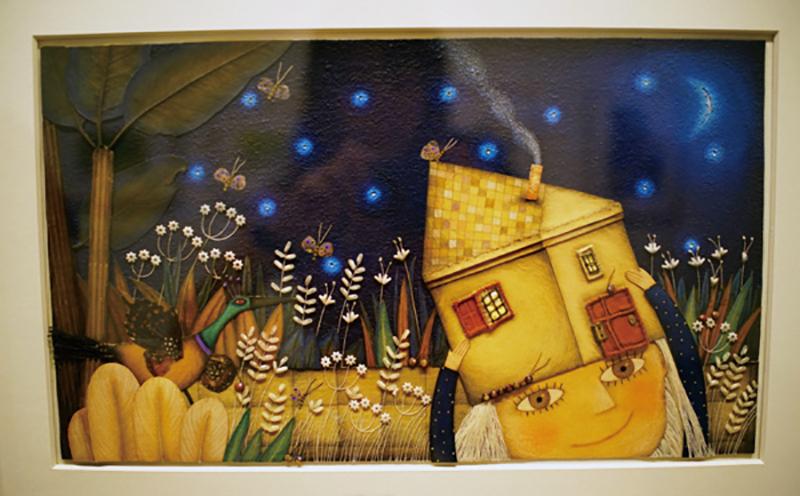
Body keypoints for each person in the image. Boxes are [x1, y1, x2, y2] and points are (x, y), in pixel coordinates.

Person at [430, 268, 710, 462]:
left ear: (663, 365)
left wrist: (655, 295)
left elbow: (688, 371)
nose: (600, 407)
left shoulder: (683, 471)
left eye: (622, 369)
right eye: (540, 399)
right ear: (490, 424)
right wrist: (449, 375)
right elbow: (445, 464)